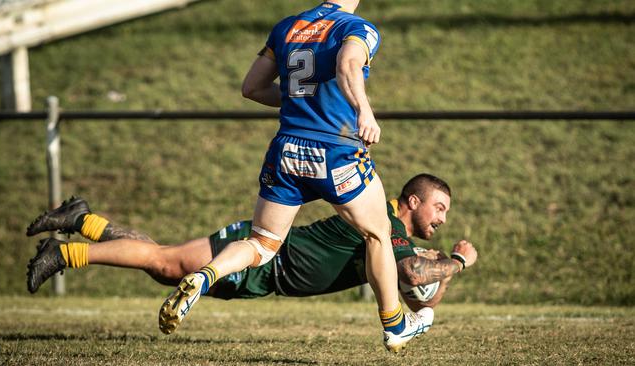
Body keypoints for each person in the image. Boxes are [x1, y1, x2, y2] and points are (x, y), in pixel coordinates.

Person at [160, 0, 415, 352]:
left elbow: (251, 88)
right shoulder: (358, 28)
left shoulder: (286, 27)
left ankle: (207, 275)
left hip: (287, 150)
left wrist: (300, 102)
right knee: (378, 233)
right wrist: (364, 111)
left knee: (262, 246)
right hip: (335, 150)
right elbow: (347, 64)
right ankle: (395, 325)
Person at [26, 174, 477, 326]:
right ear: (413, 201)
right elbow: (416, 278)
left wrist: (443, 269)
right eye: (439, 207)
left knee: (163, 264)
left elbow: (423, 295)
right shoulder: (385, 218)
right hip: (259, 256)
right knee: (165, 262)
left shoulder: (394, 234)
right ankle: (63, 253)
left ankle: (82, 219)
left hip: (266, 276)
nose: (442, 218)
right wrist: (456, 262)